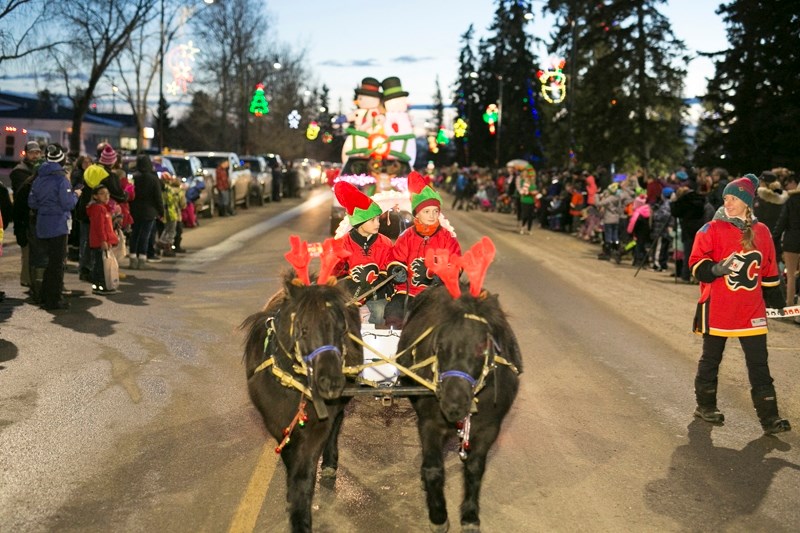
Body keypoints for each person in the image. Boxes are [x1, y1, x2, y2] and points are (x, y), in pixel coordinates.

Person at [688, 173, 790, 435]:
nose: (728, 202)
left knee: (759, 364)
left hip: (750, 311)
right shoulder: (710, 229)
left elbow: (768, 273)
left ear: (747, 201)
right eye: (726, 198)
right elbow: (696, 266)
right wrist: (715, 268)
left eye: (734, 198)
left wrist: (777, 304)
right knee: (711, 359)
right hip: (718, 308)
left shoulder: (762, 231)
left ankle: (770, 419)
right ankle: (705, 406)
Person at [384, 171, 461, 328]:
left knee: (438, 319)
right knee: (394, 311)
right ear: (416, 214)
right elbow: (395, 258)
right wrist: (397, 270)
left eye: (435, 211)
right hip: (408, 291)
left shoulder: (446, 238)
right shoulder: (407, 236)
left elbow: (456, 262)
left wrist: (445, 275)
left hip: (435, 293)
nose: (432, 216)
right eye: (427, 211)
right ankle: (397, 345)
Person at [27, 144, 81, 310]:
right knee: (57, 264)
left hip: (42, 224)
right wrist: (76, 195)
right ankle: (54, 299)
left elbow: (32, 202)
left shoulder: (39, 178)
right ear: (61, 160)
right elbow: (67, 204)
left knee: (45, 263)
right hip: (58, 225)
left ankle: (42, 295)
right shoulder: (61, 180)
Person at [332, 181, 394, 324]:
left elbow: (389, 266)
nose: (378, 224)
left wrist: (386, 276)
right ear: (359, 223)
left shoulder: (385, 243)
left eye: (378, 219)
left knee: (379, 312)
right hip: (350, 293)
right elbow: (336, 272)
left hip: (377, 293)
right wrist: (349, 285)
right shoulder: (343, 243)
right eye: (372, 220)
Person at [76, 144, 127, 281]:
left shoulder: (90, 170)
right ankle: (98, 271)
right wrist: (125, 195)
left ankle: (84, 269)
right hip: (101, 211)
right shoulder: (110, 176)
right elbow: (119, 195)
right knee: (100, 241)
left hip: (85, 209)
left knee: (85, 240)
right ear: (112, 161)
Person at [9, 141, 43, 287]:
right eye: (32, 153)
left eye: (37, 152)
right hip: (24, 216)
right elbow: (22, 193)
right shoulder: (19, 171)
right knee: (27, 250)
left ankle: (35, 279)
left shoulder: (40, 169)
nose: (35, 156)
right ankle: (27, 280)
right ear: (26, 154)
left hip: (37, 216)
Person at [128, 155, 164, 269]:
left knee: (134, 234)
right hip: (149, 211)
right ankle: (142, 259)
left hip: (135, 210)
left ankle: (132, 258)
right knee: (145, 235)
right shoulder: (153, 178)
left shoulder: (134, 177)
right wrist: (161, 211)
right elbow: (158, 197)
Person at [773, 173, 800, 317]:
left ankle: (790, 307)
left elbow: (783, 221)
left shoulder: (792, 199)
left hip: (792, 240)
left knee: (790, 275)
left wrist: (774, 237)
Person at [85, 184, 119, 294]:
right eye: (102, 194)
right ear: (95, 196)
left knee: (101, 263)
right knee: (100, 265)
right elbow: (99, 227)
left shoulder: (103, 208)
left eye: (107, 193)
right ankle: (100, 285)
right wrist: (103, 241)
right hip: (99, 242)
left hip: (102, 241)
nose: (106, 196)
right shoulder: (98, 208)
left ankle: (101, 284)